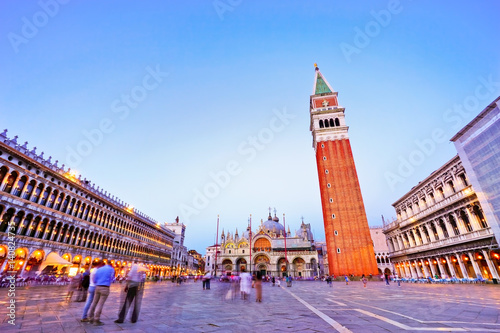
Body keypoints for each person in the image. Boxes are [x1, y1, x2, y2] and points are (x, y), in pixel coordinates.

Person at [87, 260, 115, 326]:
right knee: (100, 304)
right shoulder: (111, 269)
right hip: (105, 287)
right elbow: (112, 279)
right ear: (110, 264)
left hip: (97, 286)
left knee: (94, 302)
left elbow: (94, 280)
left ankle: (90, 317)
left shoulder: (99, 269)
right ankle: (96, 319)